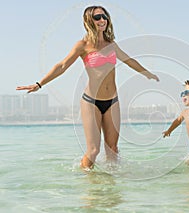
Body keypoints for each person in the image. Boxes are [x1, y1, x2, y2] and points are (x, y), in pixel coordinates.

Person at [16, 5, 159, 170]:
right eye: (97, 17)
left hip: (112, 101)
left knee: (113, 149)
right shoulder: (82, 45)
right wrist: (39, 84)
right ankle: (88, 186)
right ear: (89, 20)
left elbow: (128, 60)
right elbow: (62, 66)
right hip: (91, 101)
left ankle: (111, 188)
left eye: (104, 16)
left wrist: (147, 73)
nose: (102, 20)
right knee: (93, 150)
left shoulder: (111, 44)